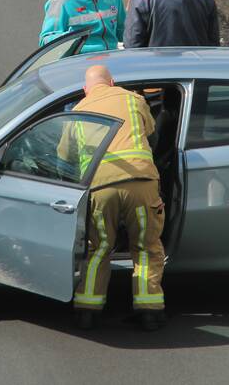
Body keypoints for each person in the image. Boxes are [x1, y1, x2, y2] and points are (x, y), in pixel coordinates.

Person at [60, 65, 166, 331]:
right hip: (140, 183)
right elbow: (151, 131)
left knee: (100, 247)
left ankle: (87, 310)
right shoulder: (133, 100)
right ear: (112, 82)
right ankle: (149, 311)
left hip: (100, 187)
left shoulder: (78, 111)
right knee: (145, 247)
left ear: (86, 89)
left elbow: (65, 158)